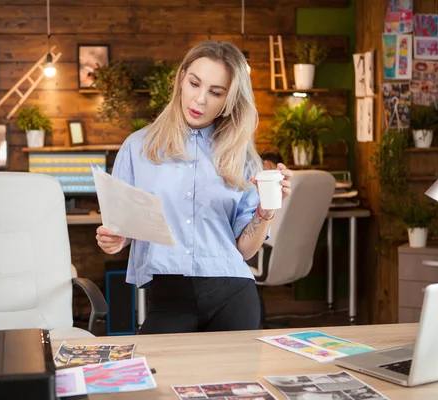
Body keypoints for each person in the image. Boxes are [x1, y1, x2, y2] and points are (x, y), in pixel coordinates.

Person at [95, 40, 293, 334]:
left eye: (215, 92)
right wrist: (115, 239)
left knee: (235, 381)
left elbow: (246, 249)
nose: (200, 99)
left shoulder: (242, 157)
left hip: (234, 294)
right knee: (158, 376)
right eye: (195, 84)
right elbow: (125, 226)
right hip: (169, 299)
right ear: (181, 79)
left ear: (229, 100)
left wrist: (266, 210)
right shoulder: (138, 148)